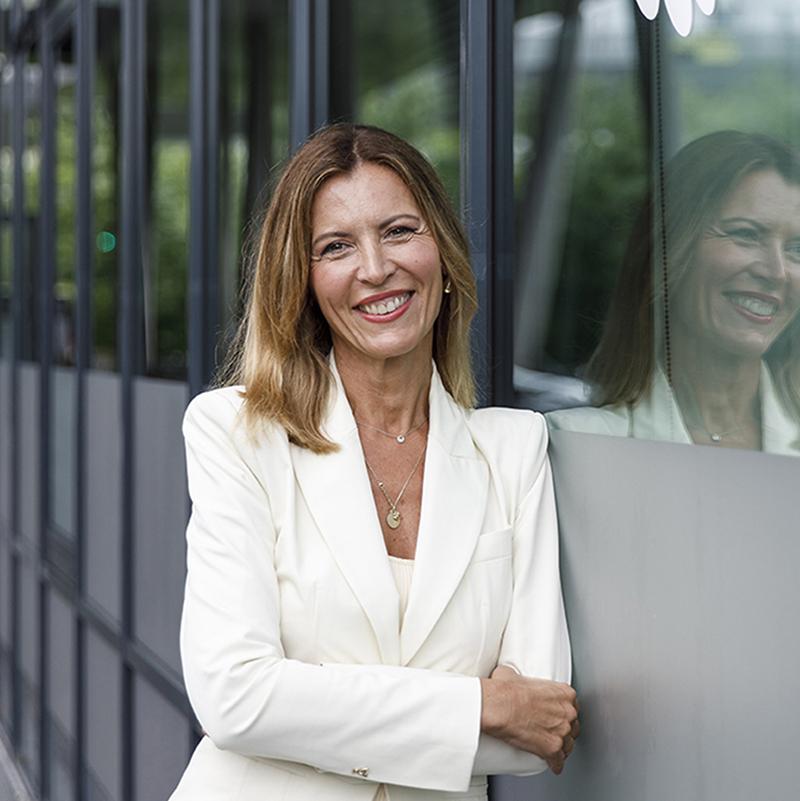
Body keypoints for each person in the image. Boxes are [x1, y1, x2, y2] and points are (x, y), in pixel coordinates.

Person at [168, 123, 579, 801]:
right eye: (336, 246)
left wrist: (310, 707)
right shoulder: (235, 434)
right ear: (304, 282)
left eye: (398, 231)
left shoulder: (515, 449)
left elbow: (535, 734)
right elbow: (234, 696)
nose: (374, 267)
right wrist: (483, 703)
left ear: (441, 254)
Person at [548, 131, 800, 455]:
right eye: (745, 234)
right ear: (669, 250)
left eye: (796, 248)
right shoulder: (572, 442)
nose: (776, 272)